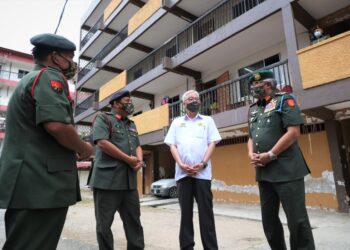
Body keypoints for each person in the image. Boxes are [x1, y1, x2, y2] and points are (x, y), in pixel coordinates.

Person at [0, 33, 93, 250]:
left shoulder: (30, 79)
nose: (72, 64)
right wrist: (84, 147)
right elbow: (57, 125)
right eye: (70, 58)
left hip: (31, 183)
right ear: (56, 57)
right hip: (40, 184)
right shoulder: (48, 77)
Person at [247, 70, 315, 250]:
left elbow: (293, 132)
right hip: (264, 172)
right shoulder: (253, 109)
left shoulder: (285, 100)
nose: (254, 88)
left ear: (268, 85)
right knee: (269, 221)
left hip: (287, 170)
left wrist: (270, 154)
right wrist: (250, 153)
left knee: (297, 221)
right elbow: (251, 136)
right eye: (252, 86)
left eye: (257, 85)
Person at [164, 90, 221, 250]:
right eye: (190, 98)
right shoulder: (176, 122)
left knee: (206, 214)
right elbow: (172, 145)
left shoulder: (208, 120)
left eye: (196, 98)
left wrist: (203, 163)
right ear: (184, 103)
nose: (194, 100)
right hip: (183, 175)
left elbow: (212, 143)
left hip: (202, 174)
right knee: (186, 215)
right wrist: (181, 164)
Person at [89, 90, 145, 250]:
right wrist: (128, 159)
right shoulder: (104, 118)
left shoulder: (131, 124)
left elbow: (138, 145)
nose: (130, 103)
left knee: (134, 222)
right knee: (104, 225)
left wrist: (139, 160)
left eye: (130, 100)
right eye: (127, 100)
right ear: (115, 103)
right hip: (107, 181)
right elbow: (102, 142)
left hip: (129, 183)